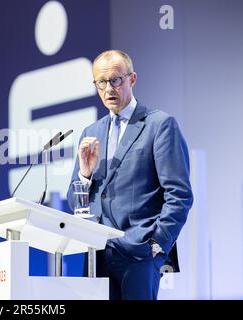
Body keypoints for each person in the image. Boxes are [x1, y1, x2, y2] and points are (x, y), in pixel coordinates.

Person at [66, 50, 193, 300]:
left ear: (132, 79)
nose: (108, 89)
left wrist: (157, 244)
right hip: (97, 254)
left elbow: (180, 195)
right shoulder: (91, 132)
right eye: (101, 83)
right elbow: (74, 203)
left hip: (140, 252)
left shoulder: (159, 125)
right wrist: (84, 173)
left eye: (115, 80)